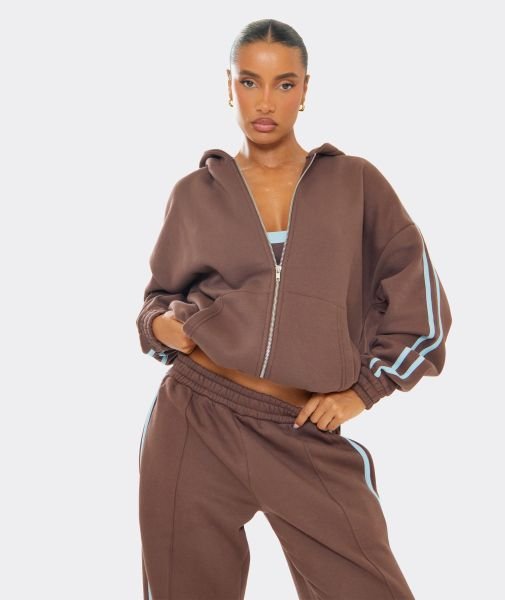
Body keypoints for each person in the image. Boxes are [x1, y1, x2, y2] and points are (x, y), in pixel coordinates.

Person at [136, 18, 452, 600]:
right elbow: (157, 300)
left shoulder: (356, 183)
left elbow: (423, 310)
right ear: (229, 87)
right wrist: (162, 327)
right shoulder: (194, 193)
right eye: (249, 82)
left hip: (302, 426)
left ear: (305, 90)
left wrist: (364, 391)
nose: (265, 102)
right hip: (195, 416)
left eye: (284, 84)